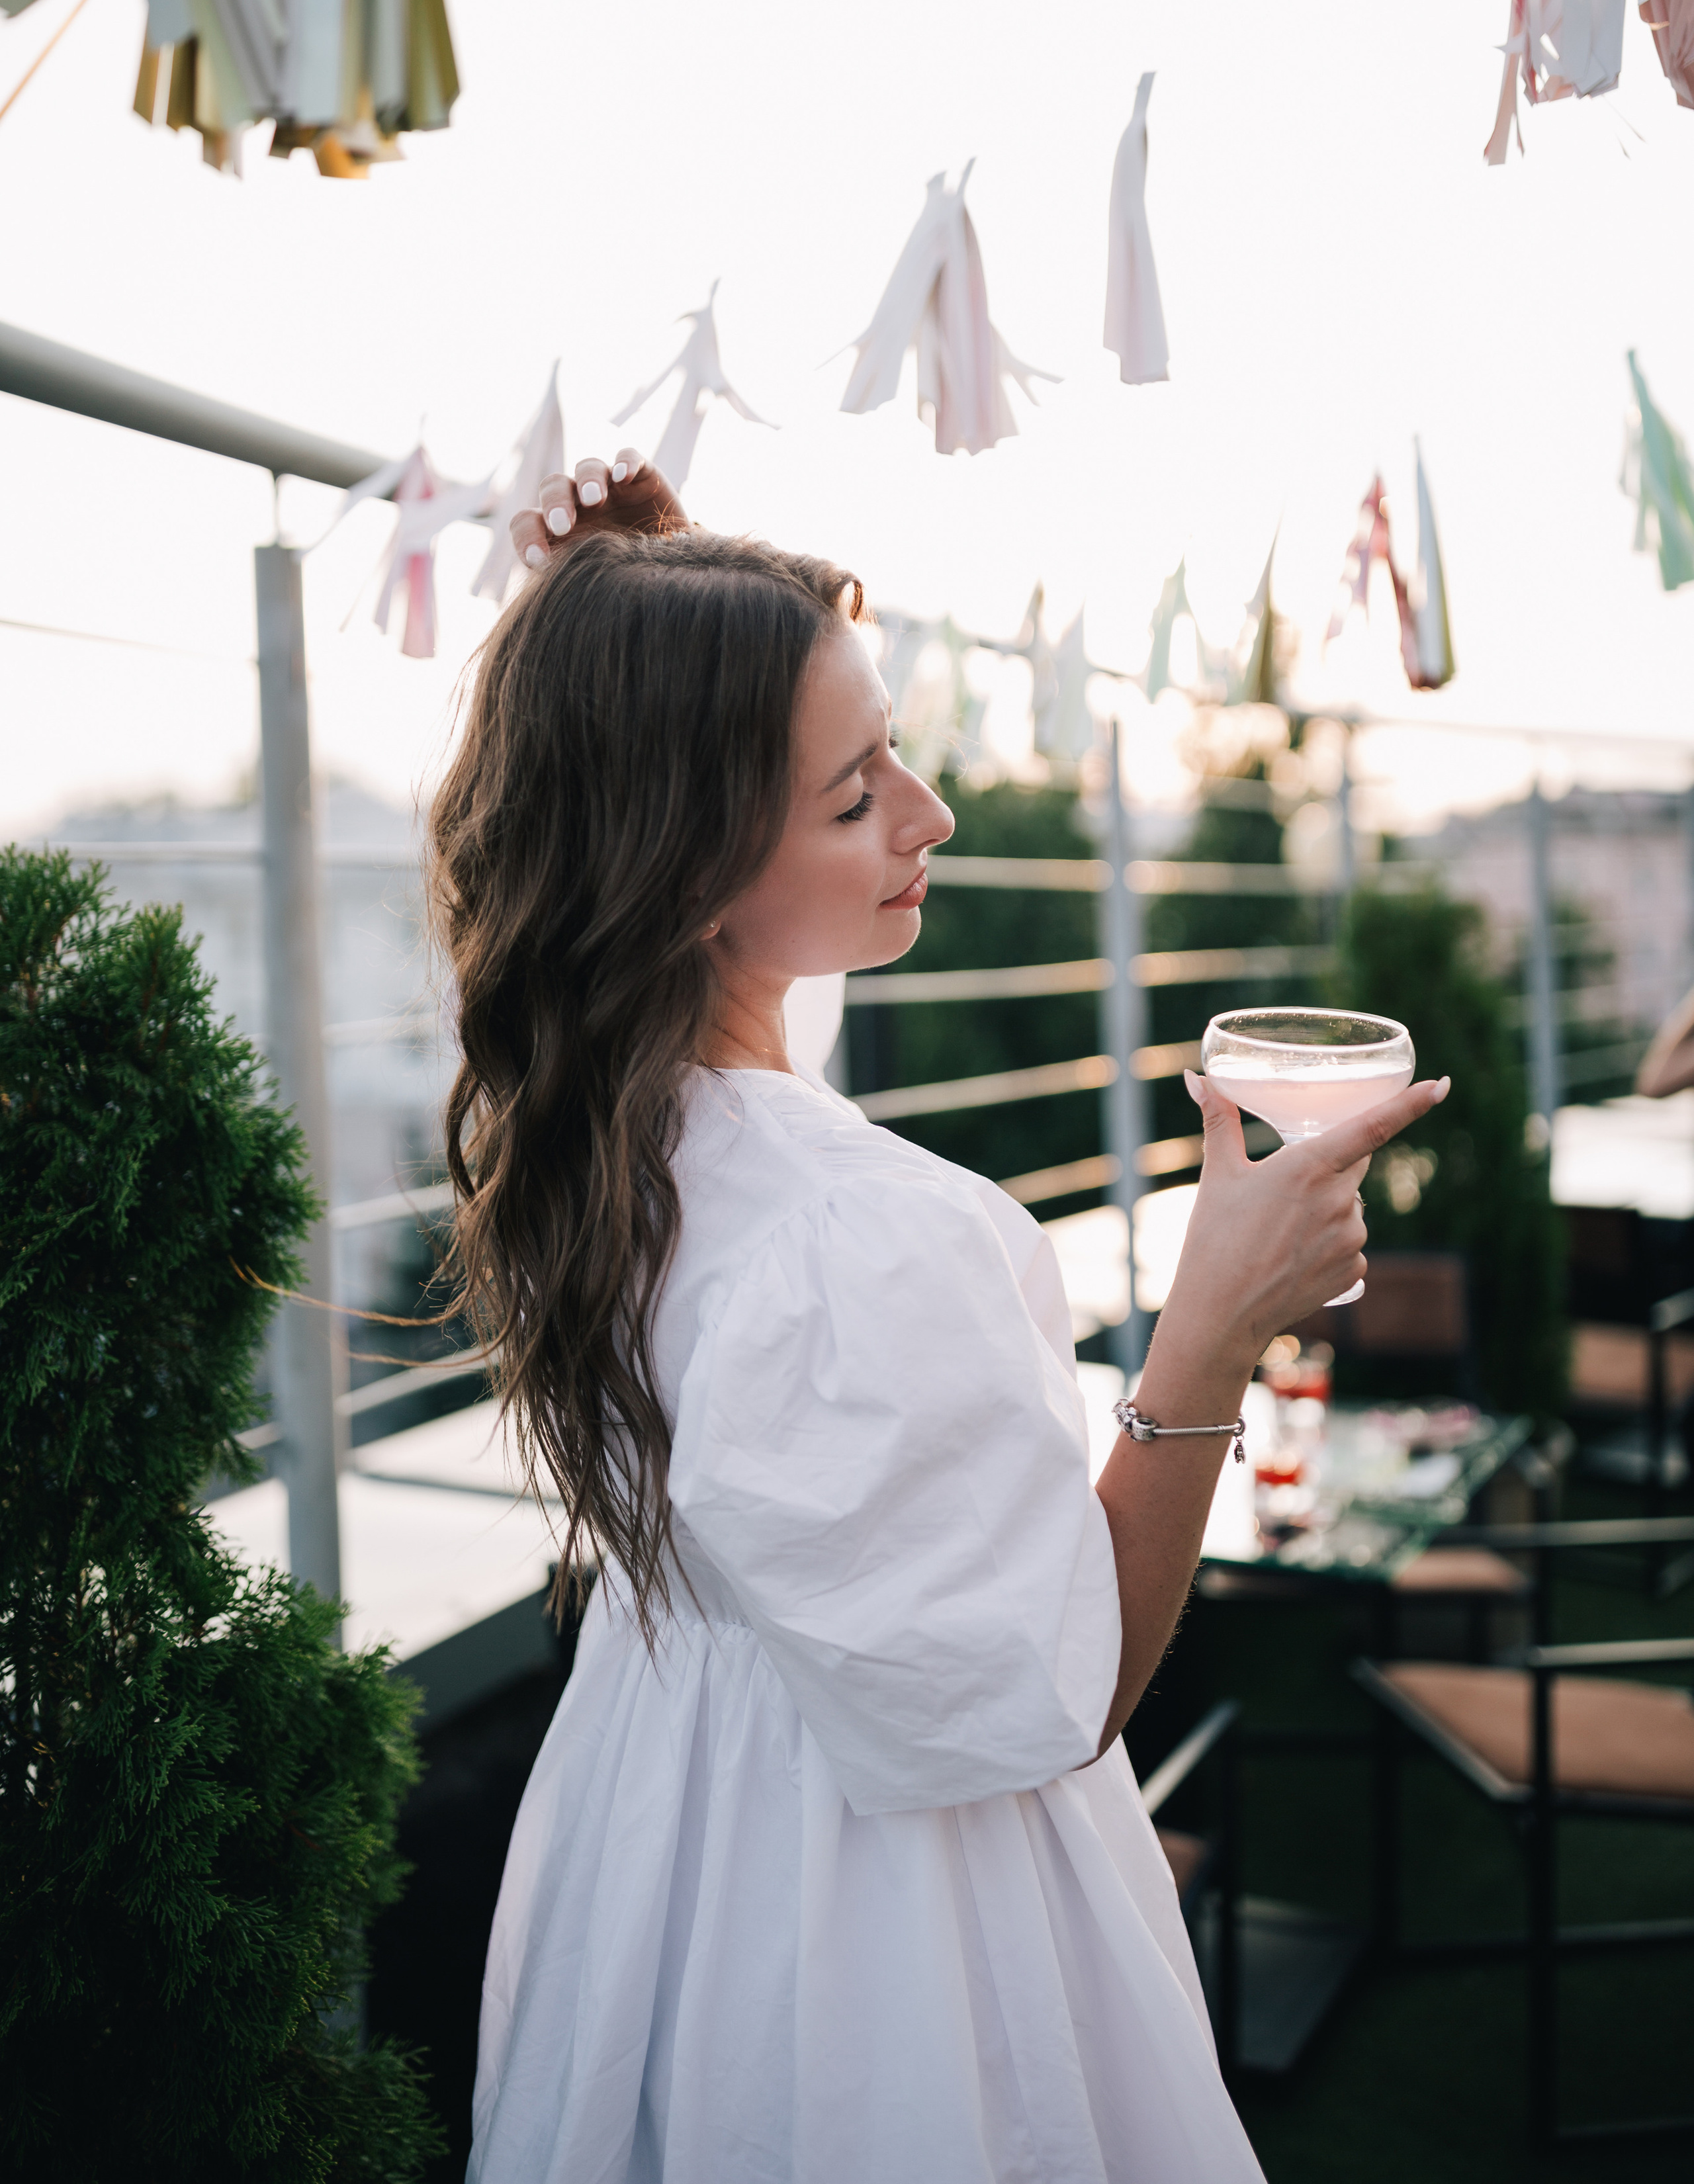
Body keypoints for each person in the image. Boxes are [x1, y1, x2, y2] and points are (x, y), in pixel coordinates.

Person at [433, 455, 1448, 2184]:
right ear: (689, 878)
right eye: (853, 795)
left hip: (672, 1867)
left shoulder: (602, 1148)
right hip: (885, 1934)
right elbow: (1068, 1687)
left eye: (890, 745)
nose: (931, 814)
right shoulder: (872, 1241)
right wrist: (1211, 1330)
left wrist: (643, 616)